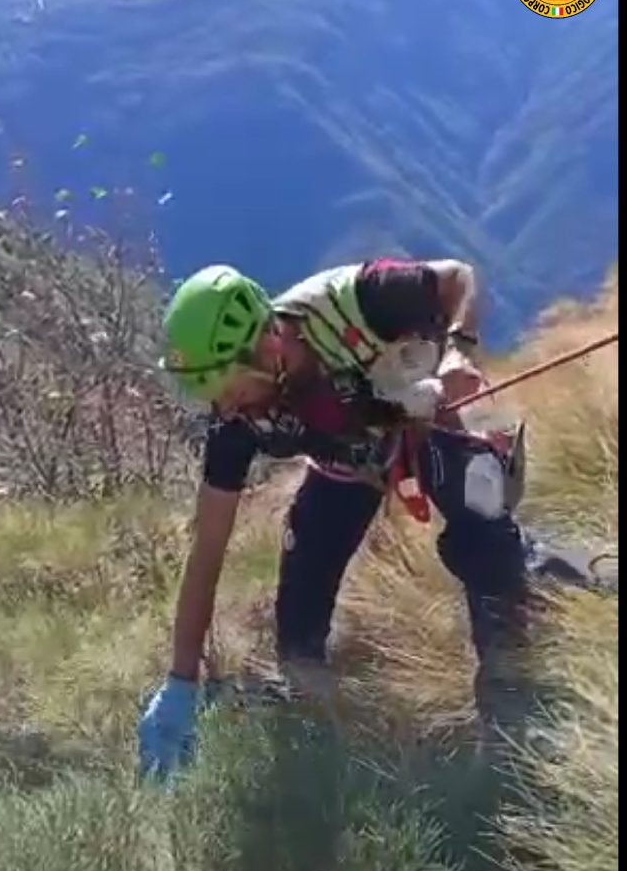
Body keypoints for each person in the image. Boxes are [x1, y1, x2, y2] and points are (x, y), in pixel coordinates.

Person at [136, 258, 555, 779]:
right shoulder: (235, 425)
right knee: (298, 631)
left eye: (232, 388)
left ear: (268, 346)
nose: (226, 409)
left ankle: (510, 696)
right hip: (349, 462)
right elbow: (208, 552)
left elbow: (458, 278)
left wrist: (457, 353)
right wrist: (181, 681)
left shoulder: (356, 298)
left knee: (478, 512)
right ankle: (322, 732)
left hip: (426, 422)